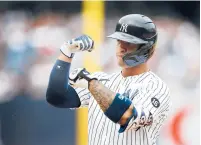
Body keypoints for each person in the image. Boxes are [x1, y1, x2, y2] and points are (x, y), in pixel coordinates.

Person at [46, 14, 171, 145]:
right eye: (119, 41)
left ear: (146, 47)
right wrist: (67, 52)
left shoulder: (156, 87)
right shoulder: (102, 80)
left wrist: (91, 84)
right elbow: (57, 97)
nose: (121, 47)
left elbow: (126, 116)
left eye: (128, 42)